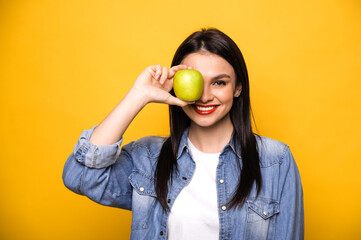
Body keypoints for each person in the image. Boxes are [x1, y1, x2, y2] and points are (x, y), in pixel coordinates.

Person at [62, 28, 304, 240]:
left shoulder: (276, 160)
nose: (205, 96)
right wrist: (138, 95)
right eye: (196, 82)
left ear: (238, 87)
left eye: (219, 82)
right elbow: (80, 176)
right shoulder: (148, 157)